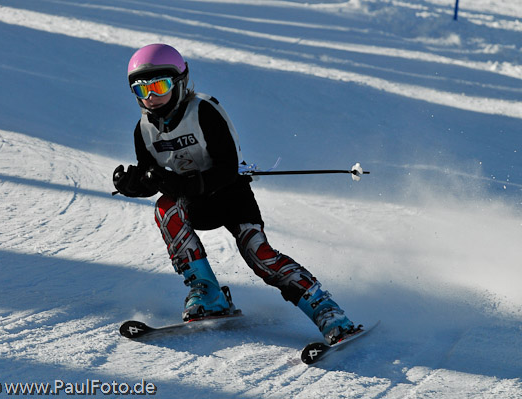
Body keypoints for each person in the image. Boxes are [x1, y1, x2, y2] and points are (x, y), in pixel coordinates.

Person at [113, 43, 356, 345]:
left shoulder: (203, 110)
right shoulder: (143, 130)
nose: (151, 98)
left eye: (160, 87)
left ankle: (328, 312)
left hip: (230, 197)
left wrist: (179, 184)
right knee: (165, 208)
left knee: (258, 255)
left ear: (180, 82)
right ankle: (208, 292)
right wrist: (136, 186)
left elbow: (227, 168)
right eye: (142, 90)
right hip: (194, 204)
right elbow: (155, 177)